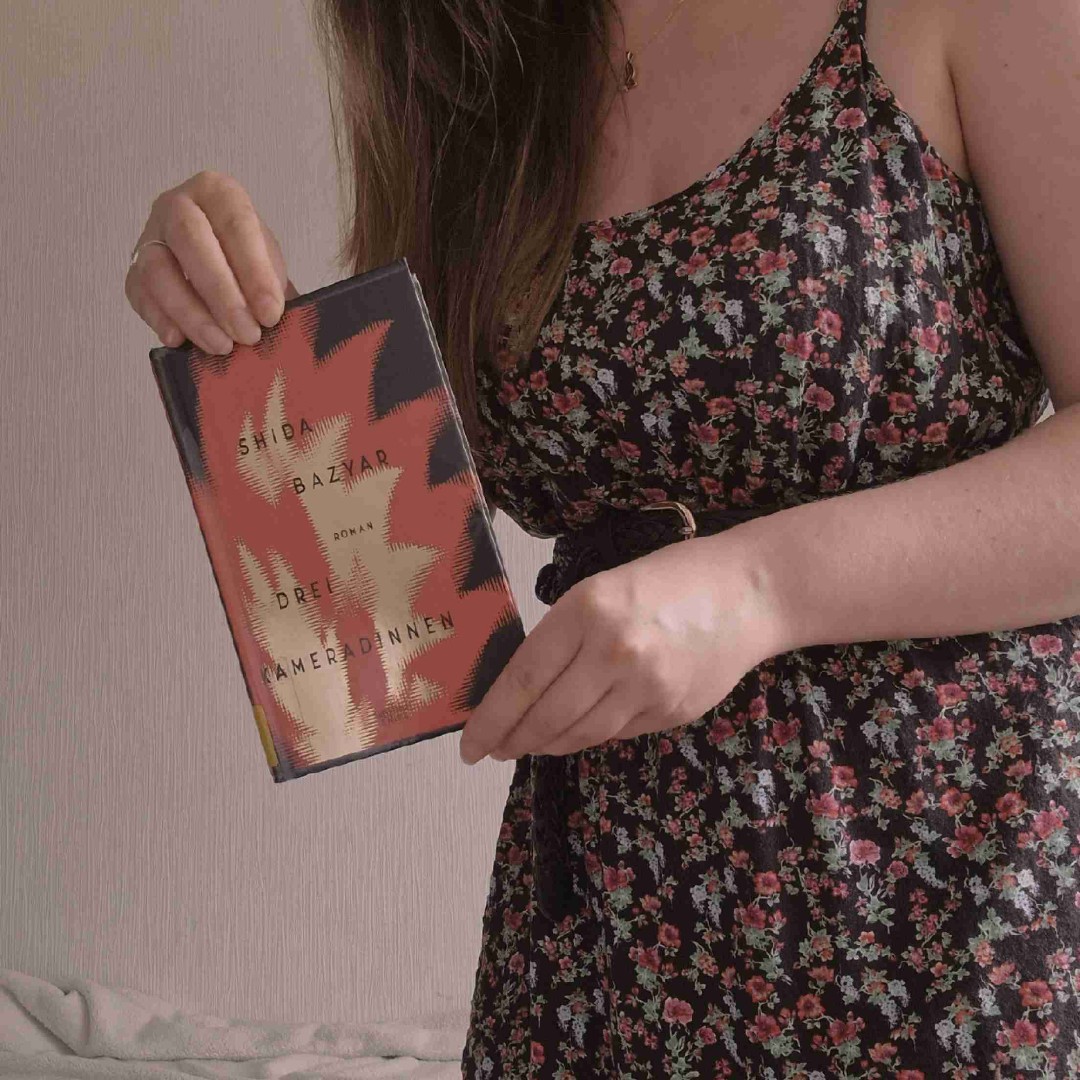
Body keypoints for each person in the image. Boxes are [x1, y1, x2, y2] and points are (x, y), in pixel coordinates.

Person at [125, 0, 1080, 1074]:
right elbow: (411, 563)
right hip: (610, 913)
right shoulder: (464, 45)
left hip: (947, 882)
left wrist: (758, 589)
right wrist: (252, 354)